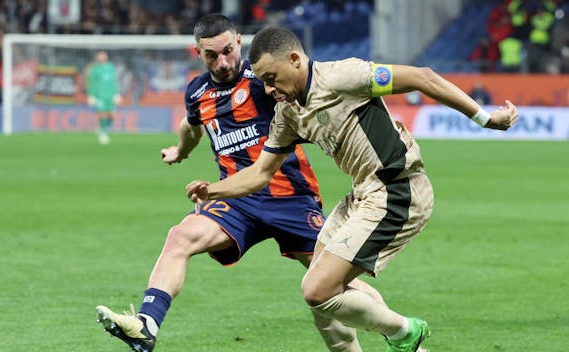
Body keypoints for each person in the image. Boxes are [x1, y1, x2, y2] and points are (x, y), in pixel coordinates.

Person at [187, 26, 519, 352]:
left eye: (272, 78)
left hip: (397, 190)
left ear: (294, 60)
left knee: (316, 290)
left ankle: (405, 332)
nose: (269, 89)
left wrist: (485, 119)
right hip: (362, 194)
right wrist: (212, 191)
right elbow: (260, 174)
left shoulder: (342, 77)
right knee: (321, 300)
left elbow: (423, 77)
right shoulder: (288, 114)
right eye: (263, 82)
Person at [95, 14, 384, 352]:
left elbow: (309, 96)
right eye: (211, 56)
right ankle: (146, 324)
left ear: (238, 43)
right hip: (236, 200)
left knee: (330, 284)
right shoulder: (197, 92)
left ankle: (401, 334)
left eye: (228, 51)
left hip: (290, 197)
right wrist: (180, 150)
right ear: (197, 53)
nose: (222, 62)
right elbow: (192, 126)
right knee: (180, 236)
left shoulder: (265, 78)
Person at [87, 50, 121, 145]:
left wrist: (116, 94)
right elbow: (92, 83)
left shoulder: (110, 67)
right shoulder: (95, 69)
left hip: (110, 95)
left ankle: (102, 128)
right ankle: (102, 133)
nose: (102, 57)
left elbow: (113, 81)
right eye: (100, 56)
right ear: (97, 57)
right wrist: (91, 95)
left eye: (104, 55)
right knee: (102, 114)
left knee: (111, 115)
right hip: (99, 95)